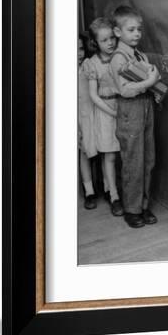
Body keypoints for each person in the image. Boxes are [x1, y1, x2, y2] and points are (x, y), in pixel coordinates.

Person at [110, 5, 161, 228]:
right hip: (130, 110)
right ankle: (132, 209)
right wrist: (149, 82)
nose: (137, 34)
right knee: (133, 161)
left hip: (146, 107)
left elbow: (146, 82)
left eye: (139, 29)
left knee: (148, 159)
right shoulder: (118, 59)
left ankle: (143, 205)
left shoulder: (139, 54)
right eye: (131, 30)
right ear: (118, 32)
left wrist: (155, 90)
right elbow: (125, 90)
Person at [85, 18, 124, 217]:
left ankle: (116, 188)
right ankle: (114, 196)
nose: (110, 43)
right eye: (104, 40)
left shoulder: (121, 56)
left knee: (122, 153)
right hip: (105, 110)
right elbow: (93, 95)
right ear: (95, 43)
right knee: (109, 154)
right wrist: (111, 112)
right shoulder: (92, 64)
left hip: (123, 106)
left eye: (111, 38)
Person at [78, 34, 98, 210]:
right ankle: (89, 191)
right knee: (84, 153)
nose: (78, 53)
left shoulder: (88, 64)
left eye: (81, 48)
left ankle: (108, 189)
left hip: (94, 113)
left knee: (103, 151)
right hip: (79, 118)